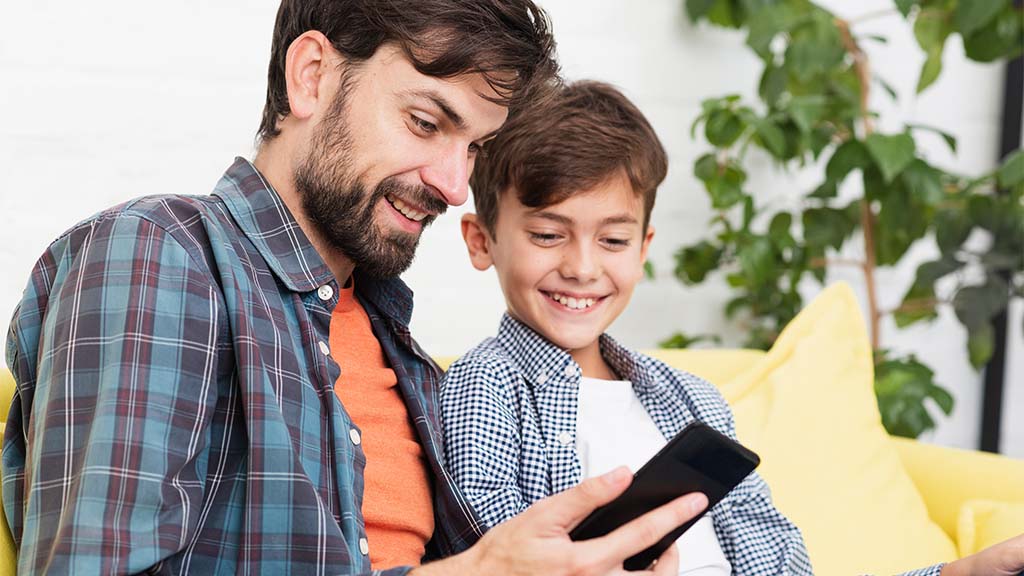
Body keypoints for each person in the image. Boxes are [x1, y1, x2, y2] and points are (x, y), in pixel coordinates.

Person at [2, 2, 708, 574]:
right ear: (311, 75)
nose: (454, 184)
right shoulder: (160, 253)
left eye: (475, 150)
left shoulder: (403, 354)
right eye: (425, 123)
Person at [439, 80, 1024, 576]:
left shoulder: (693, 402)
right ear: (482, 241)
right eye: (548, 235)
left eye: (613, 240)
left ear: (643, 250)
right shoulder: (484, 387)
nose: (583, 267)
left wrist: (955, 571)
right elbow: (501, 561)